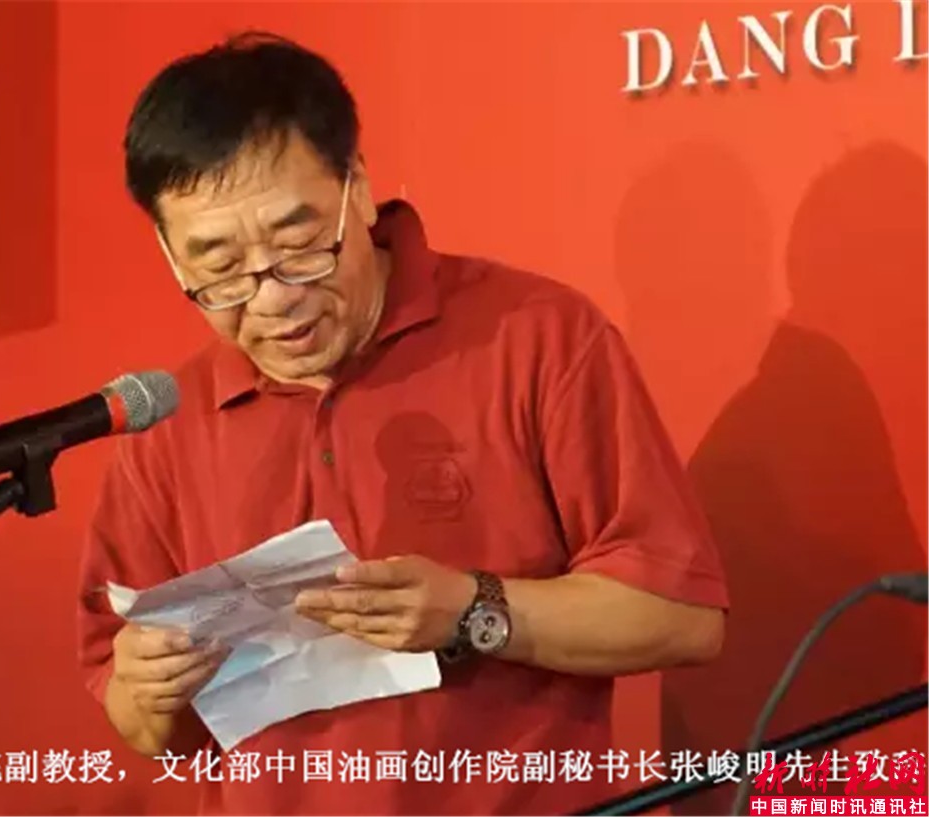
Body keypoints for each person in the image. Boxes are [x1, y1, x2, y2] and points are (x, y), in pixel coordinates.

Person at [77, 31, 729, 817]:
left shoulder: (536, 337)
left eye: (300, 246)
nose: (274, 297)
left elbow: (683, 616)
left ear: (357, 185)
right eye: (220, 271)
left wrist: (474, 609)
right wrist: (147, 686)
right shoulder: (167, 425)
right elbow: (145, 727)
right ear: (170, 253)